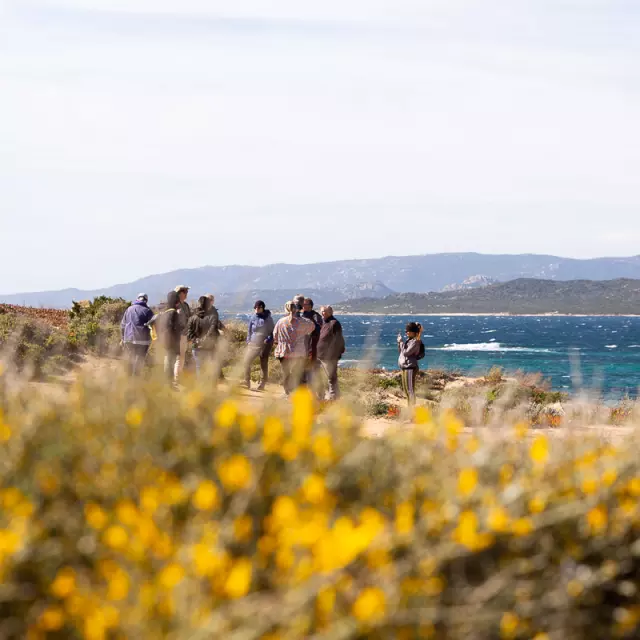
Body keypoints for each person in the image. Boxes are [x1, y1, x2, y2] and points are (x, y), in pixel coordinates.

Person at [273, 301, 315, 396]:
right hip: (299, 352)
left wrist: (279, 342)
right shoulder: (304, 322)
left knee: (286, 373)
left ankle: (287, 392)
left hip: (284, 352)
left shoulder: (281, 321)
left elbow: (275, 335)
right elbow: (312, 327)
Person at [186, 296, 224, 377]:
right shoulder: (212, 317)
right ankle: (209, 387)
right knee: (210, 368)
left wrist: (196, 340)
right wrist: (203, 340)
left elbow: (189, 333)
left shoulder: (192, 318)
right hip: (208, 347)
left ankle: (201, 387)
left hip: (196, 347)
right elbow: (212, 331)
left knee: (199, 367)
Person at [243, 300, 275, 390]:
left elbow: (272, 332)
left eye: (259, 307)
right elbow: (249, 331)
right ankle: (246, 381)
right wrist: (248, 341)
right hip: (253, 343)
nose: (257, 309)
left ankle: (263, 382)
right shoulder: (253, 317)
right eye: (255, 307)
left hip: (264, 343)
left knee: (263, 362)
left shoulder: (268, 318)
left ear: (263, 308)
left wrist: (268, 339)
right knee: (246, 360)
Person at [120, 293, 154, 376]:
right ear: (146, 300)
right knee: (139, 361)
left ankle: (128, 379)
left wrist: (122, 338)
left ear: (137, 299)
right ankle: (136, 381)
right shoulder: (148, 311)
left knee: (130, 359)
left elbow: (122, 325)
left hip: (128, 339)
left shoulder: (129, 309)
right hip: (142, 341)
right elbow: (153, 325)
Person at [317, 305, 345, 400]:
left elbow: (339, 340)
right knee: (320, 376)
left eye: (324, 311)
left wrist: (334, 355)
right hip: (320, 355)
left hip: (329, 356)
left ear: (330, 312)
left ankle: (334, 397)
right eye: (321, 311)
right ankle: (322, 396)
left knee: (331, 377)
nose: (322, 313)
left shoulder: (334, 323)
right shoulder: (324, 323)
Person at [157, 290, 182, 386]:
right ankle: (168, 383)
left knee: (168, 361)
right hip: (172, 342)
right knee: (170, 362)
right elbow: (175, 328)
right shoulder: (173, 313)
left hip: (165, 341)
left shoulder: (165, 312)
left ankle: (167, 382)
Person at [397, 321, 423, 406]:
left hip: (410, 367)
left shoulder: (415, 342)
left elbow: (406, 353)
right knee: (406, 390)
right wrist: (399, 343)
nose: (407, 332)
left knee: (410, 390)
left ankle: (412, 412)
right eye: (406, 331)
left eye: (409, 331)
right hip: (405, 367)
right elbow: (401, 352)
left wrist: (401, 342)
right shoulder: (409, 341)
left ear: (414, 332)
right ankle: (410, 410)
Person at [302, 297, 323, 389]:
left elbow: (319, 328)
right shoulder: (300, 316)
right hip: (301, 347)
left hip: (312, 346)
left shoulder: (316, 316)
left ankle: (317, 391)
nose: (302, 306)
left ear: (310, 306)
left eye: (305, 304)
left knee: (313, 369)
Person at [174, 285, 191, 380]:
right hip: (178, 336)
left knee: (181, 358)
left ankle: (177, 378)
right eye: (185, 292)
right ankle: (176, 379)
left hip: (184, 335)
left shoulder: (186, 305)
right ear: (180, 293)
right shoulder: (174, 305)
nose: (187, 294)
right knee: (178, 358)